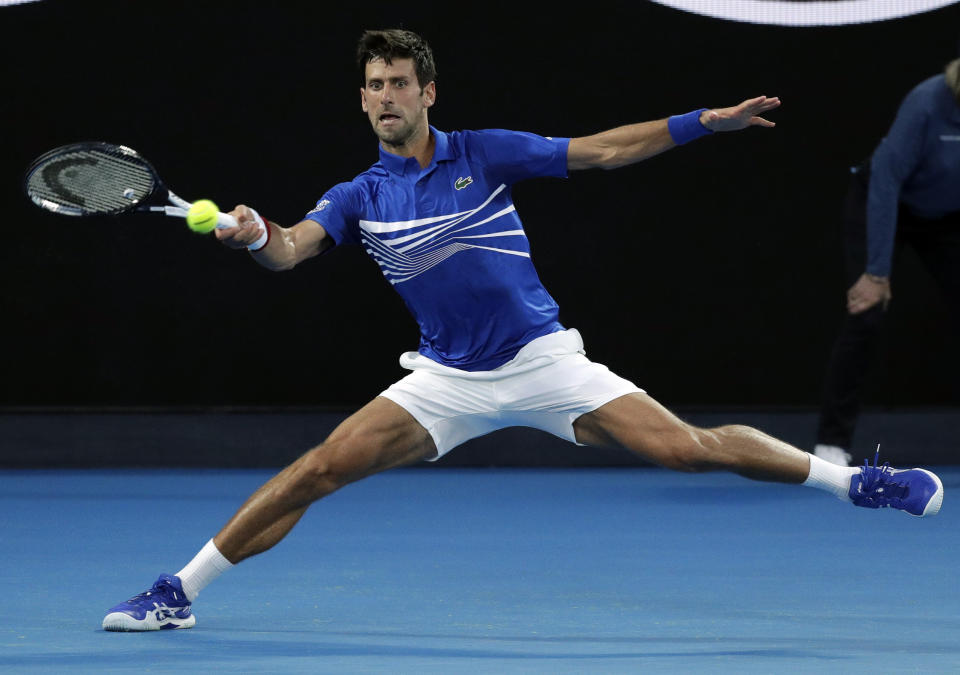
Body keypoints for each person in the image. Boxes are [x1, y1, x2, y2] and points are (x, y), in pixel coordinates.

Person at [102, 29, 945, 631]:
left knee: (687, 447)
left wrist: (701, 123)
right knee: (315, 469)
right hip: (446, 380)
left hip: (543, 361)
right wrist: (255, 234)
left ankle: (855, 484)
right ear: (360, 100)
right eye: (374, 85)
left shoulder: (485, 151)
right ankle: (179, 589)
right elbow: (290, 252)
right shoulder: (358, 195)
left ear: (427, 92)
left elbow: (605, 152)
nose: (387, 97)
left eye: (400, 83)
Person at [813, 51, 960, 467]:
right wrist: (876, 272)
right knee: (867, 313)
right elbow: (886, 181)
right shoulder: (928, 102)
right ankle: (831, 446)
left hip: (948, 218)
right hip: (882, 202)